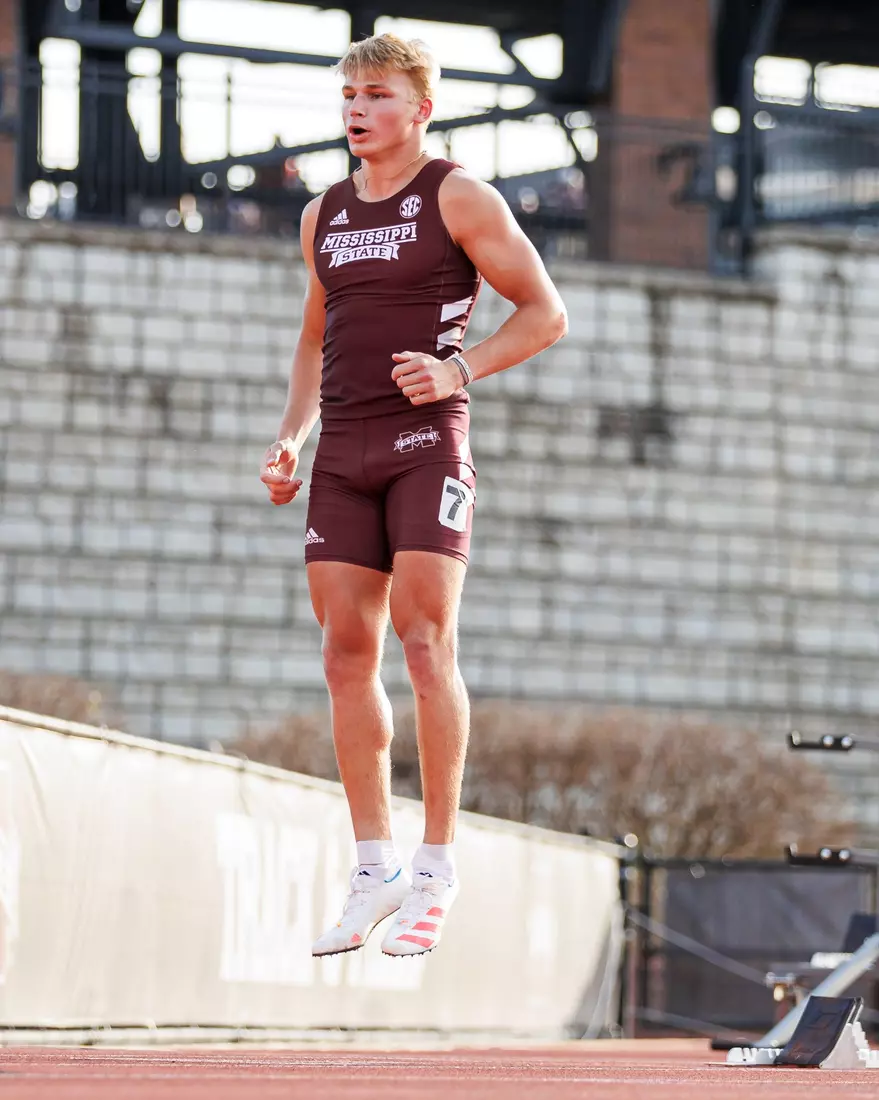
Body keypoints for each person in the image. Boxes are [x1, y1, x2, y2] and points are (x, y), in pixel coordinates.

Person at [259, 33, 567, 957]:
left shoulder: (460, 195)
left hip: (425, 443)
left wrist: (458, 369)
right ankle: (373, 866)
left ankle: (436, 867)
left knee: (424, 640)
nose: (357, 108)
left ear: (420, 108)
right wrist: (290, 438)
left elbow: (545, 311)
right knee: (342, 652)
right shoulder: (323, 214)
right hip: (343, 448)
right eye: (348, 93)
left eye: (378, 94)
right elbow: (316, 337)